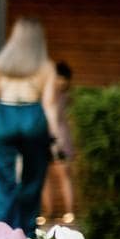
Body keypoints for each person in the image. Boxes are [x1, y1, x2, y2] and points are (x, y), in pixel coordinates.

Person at [0, 19, 61, 234]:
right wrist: (56, 137)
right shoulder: (46, 66)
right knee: (32, 180)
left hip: (4, 118)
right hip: (33, 118)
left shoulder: (2, 63)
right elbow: (49, 104)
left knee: (2, 182)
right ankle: (27, 234)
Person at [42, 60, 77, 226]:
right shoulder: (46, 94)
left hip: (60, 139)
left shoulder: (64, 97)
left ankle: (68, 212)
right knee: (45, 177)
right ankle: (48, 213)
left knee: (63, 175)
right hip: (44, 138)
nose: (60, 82)